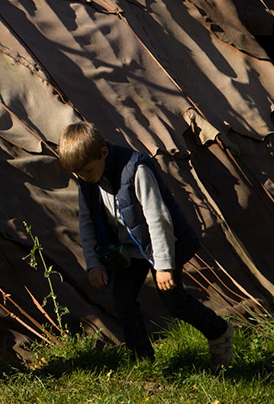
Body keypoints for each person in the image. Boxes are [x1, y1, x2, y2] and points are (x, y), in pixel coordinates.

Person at [57, 122, 234, 367]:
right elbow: (87, 221)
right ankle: (143, 361)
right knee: (123, 302)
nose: (83, 178)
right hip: (127, 249)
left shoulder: (135, 169)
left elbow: (158, 219)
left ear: (103, 153)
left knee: (174, 301)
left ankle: (219, 332)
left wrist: (163, 265)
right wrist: (94, 263)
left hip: (158, 244)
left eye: (86, 171)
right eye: (78, 175)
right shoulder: (86, 178)